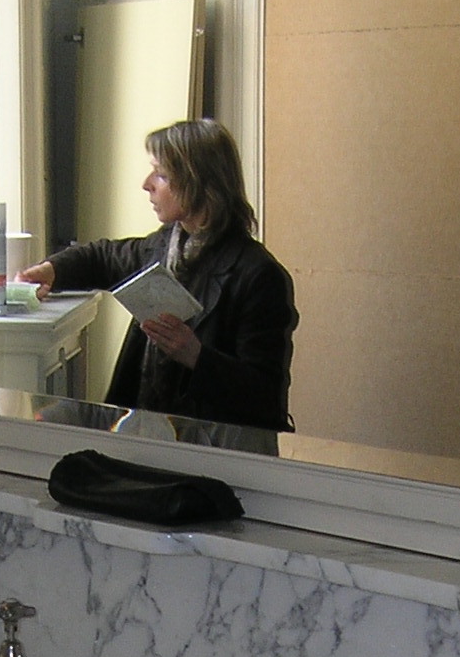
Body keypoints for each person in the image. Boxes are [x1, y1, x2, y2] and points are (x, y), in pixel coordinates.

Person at [18, 120, 297, 431]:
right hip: (146, 434)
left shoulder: (260, 276)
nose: (146, 184)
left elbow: (265, 396)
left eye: (161, 174)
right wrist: (51, 270)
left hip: (211, 449)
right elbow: (103, 257)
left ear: (197, 182)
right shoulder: (164, 246)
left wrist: (196, 356)